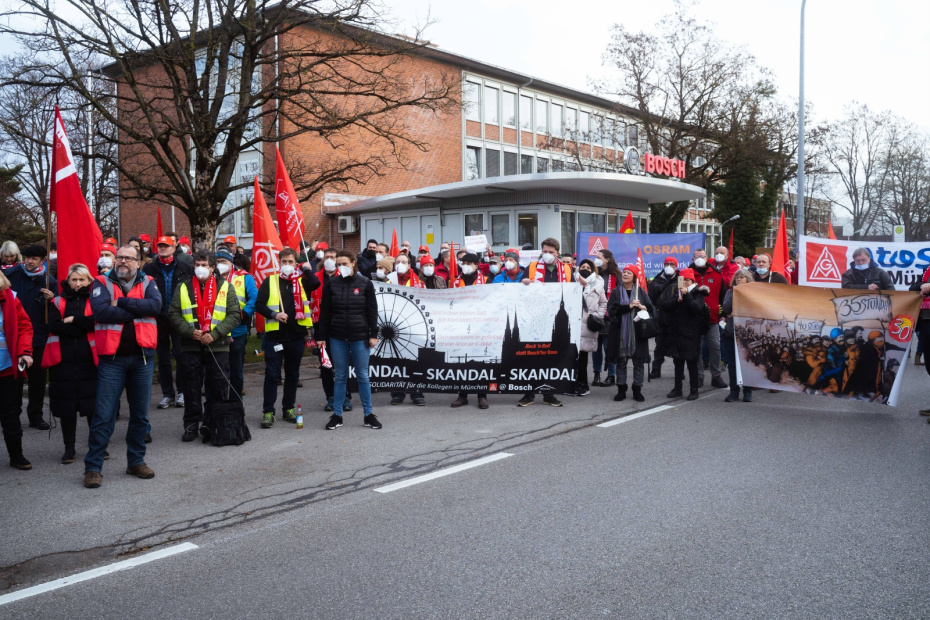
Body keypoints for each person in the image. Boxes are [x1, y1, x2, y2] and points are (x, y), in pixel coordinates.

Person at [84, 245, 162, 489]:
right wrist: (136, 308)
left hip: (142, 358)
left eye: (129, 258)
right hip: (112, 360)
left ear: (138, 262)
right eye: (120, 257)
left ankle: (135, 462)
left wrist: (124, 303)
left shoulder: (149, 280)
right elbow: (101, 312)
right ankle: (93, 468)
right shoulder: (100, 282)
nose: (123, 261)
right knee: (104, 415)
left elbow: (155, 307)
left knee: (140, 415)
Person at [169, 251, 240, 442]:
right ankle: (191, 424)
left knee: (217, 386)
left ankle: (212, 423)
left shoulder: (225, 287)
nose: (200, 268)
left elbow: (234, 315)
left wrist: (215, 334)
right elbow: (173, 313)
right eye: (197, 265)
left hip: (217, 345)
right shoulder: (183, 287)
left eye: (204, 265)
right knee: (191, 386)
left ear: (212, 268)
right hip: (190, 344)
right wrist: (188, 331)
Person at [254, 247, 319, 428]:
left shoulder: (301, 281)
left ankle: (288, 408)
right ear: (279, 263)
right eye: (284, 262)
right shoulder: (271, 281)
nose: (287, 265)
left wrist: (306, 269)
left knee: (292, 375)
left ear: (296, 263)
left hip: (296, 337)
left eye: (291, 262)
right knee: (272, 376)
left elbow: (316, 283)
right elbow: (259, 305)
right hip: (275, 337)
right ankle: (268, 412)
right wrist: (274, 314)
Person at [316, 250, 381, 430]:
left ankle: (368, 414)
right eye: (339, 264)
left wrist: (373, 334)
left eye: (344, 264)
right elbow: (325, 312)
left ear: (353, 263)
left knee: (362, 376)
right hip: (337, 336)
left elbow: (372, 311)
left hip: (360, 336)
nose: (341, 267)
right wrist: (320, 336)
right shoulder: (332, 284)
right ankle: (337, 415)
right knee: (340, 376)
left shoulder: (365, 283)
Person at [45, 263, 99, 463]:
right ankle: (69, 447)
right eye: (74, 279)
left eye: (81, 279)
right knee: (67, 408)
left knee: (93, 407)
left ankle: (97, 445)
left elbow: (97, 320)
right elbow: (54, 325)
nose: (77, 284)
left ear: (89, 281)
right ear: (68, 280)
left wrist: (73, 320)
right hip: (63, 362)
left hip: (90, 361)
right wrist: (80, 326)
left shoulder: (95, 300)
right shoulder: (57, 301)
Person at [7, 244, 57, 430]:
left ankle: (36, 415)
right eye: (27, 257)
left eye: (34, 259)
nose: (29, 261)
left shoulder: (48, 281)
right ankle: (13, 415)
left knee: (37, 378)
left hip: (38, 335)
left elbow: (56, 310)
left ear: (42, 261)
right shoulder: (11, 275)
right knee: (15, 378)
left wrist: (52, 300)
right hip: (14, 335)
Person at [518, 238, 571, 407]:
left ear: (558, 253)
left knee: (553, 357)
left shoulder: (567, 269)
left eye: (551, 252)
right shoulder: (532, 267)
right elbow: (519, 288)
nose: (547, 255)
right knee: (532, 357)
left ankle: (549, 394)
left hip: (556, 319)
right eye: (545, 251)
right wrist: (524, 283)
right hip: (535, 316)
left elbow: (571, 291)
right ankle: (529, 393)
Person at [143, 235, 193, 409]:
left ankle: (182, 392)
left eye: (166, 246)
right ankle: (167, 394)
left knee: (181, 355)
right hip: (158, 319)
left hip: (179, 318)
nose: (163, 248)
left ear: (174, 247)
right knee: (163, 358)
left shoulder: (185, 268)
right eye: (160, 246)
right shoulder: (149, 269)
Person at [0, 268, 35, 470]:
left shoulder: (10, 298)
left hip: (6, 368)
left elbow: (24, 327)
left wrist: (25, 352)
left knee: (10, 414)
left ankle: (16, 455)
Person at [607, 264, 655, 402]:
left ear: (634, 277)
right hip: (620, 333)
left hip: (638, 333)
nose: (625, 274)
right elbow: (611, 311)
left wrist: (642, 307)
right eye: (624, 272)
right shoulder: (616, 292)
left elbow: (651, 310)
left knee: (638, 363)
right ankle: (621, 389)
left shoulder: (641, 292)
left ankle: (637, 389)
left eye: (629, 272)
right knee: (621, 362)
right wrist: (628, 307)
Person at [660, 268, 709, 401]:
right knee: (678, 361)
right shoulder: (678, 293)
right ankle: (677, 388)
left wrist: (686, 295)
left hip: (691, 333)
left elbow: (696, 308)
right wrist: (677, 300)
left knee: (692, 362)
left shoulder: (698, 293)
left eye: (687, 280)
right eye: (682, 279)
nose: (684, 282)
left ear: (692, 280)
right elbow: (665, 306)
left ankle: (694, 389)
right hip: (677, 332)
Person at [215, 250, 256, 399]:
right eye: (218, 261)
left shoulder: (245, 277)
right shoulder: (210, 278)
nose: (220, 265)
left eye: (224, 262)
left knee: (236, 370)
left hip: (237, 330)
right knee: (217, 370)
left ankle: (235, 401)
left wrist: (245, 313)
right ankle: (219, 402)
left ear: (231, 262)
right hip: (216, 331)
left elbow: (254, 298)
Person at [450, 252, 489, 409]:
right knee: (462, 361)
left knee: (481, 361)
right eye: (462, 262)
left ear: (476, 265)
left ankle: (482, 395)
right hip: (462, 326)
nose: (464, 265)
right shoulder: (455, 282)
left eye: (468, 263)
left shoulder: (486, 281)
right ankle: (462, 395)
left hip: (480, 326)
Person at [387, 254, 426, 406]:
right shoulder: (389, 282)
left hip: (414, 327)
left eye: (404, 262)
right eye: (398, 262)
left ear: (410, 265)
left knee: (415, 361)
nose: (401, 264)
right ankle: (397, 393)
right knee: (395, 361)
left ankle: (417, 393)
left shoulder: (419, 283)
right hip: (394, 326)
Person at [688, 249, 728, 389]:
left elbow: (723, 295)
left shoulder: (716, 273)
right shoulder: (687, 273)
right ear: (693, 259)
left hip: (712, 318)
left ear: (707, 258)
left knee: (715, 347)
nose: (700, 258)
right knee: (696, 349)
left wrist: (723, 312)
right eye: (697, 256)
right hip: (693, 318)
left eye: (702, 256)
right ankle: (698, 376)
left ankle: (716, 376)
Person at [719, 268, 754, 402]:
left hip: (746, 332)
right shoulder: (729, 292)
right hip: (731, 331)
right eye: (737, 277)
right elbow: (726, 308)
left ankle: (747, 391)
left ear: (747, 279)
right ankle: (734, 391)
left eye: (742, 277)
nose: (739, 279)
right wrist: (735, 293)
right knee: (732, 363)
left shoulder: (752, 293)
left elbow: (751, 310)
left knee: (747, 362)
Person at [576, 259, 606, 396]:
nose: (585, 269)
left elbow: (603, 302)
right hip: (573, 323)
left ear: (593, 270)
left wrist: (597, 316)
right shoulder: (572, 280)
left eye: (588, 267)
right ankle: (571, 383)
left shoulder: (598, 283)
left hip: (588, 324)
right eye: (583, 266)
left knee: (583, 357)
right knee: (571, 356)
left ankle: (583, 385)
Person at [647, 256, 679, 379]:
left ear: (676, 266)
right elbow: (650, 301)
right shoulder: (656, 281)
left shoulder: (680, 280)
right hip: (660, 319)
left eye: (672, 264)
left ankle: (678, 371)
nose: (669, 266)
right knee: (659, 345)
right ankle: (656, 369)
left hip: (675, 319)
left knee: (676, 345)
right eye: (667, 263)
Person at [592, 249, 621, 387]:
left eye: (599, 257)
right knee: (595, 347)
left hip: (610, 317)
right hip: (595, 316)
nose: (596, 259)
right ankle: (596, 374)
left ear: (607, 259)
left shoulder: (616, 275)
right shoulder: (594, 274)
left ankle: (611, 375)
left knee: (608, 347)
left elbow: (620, 294)